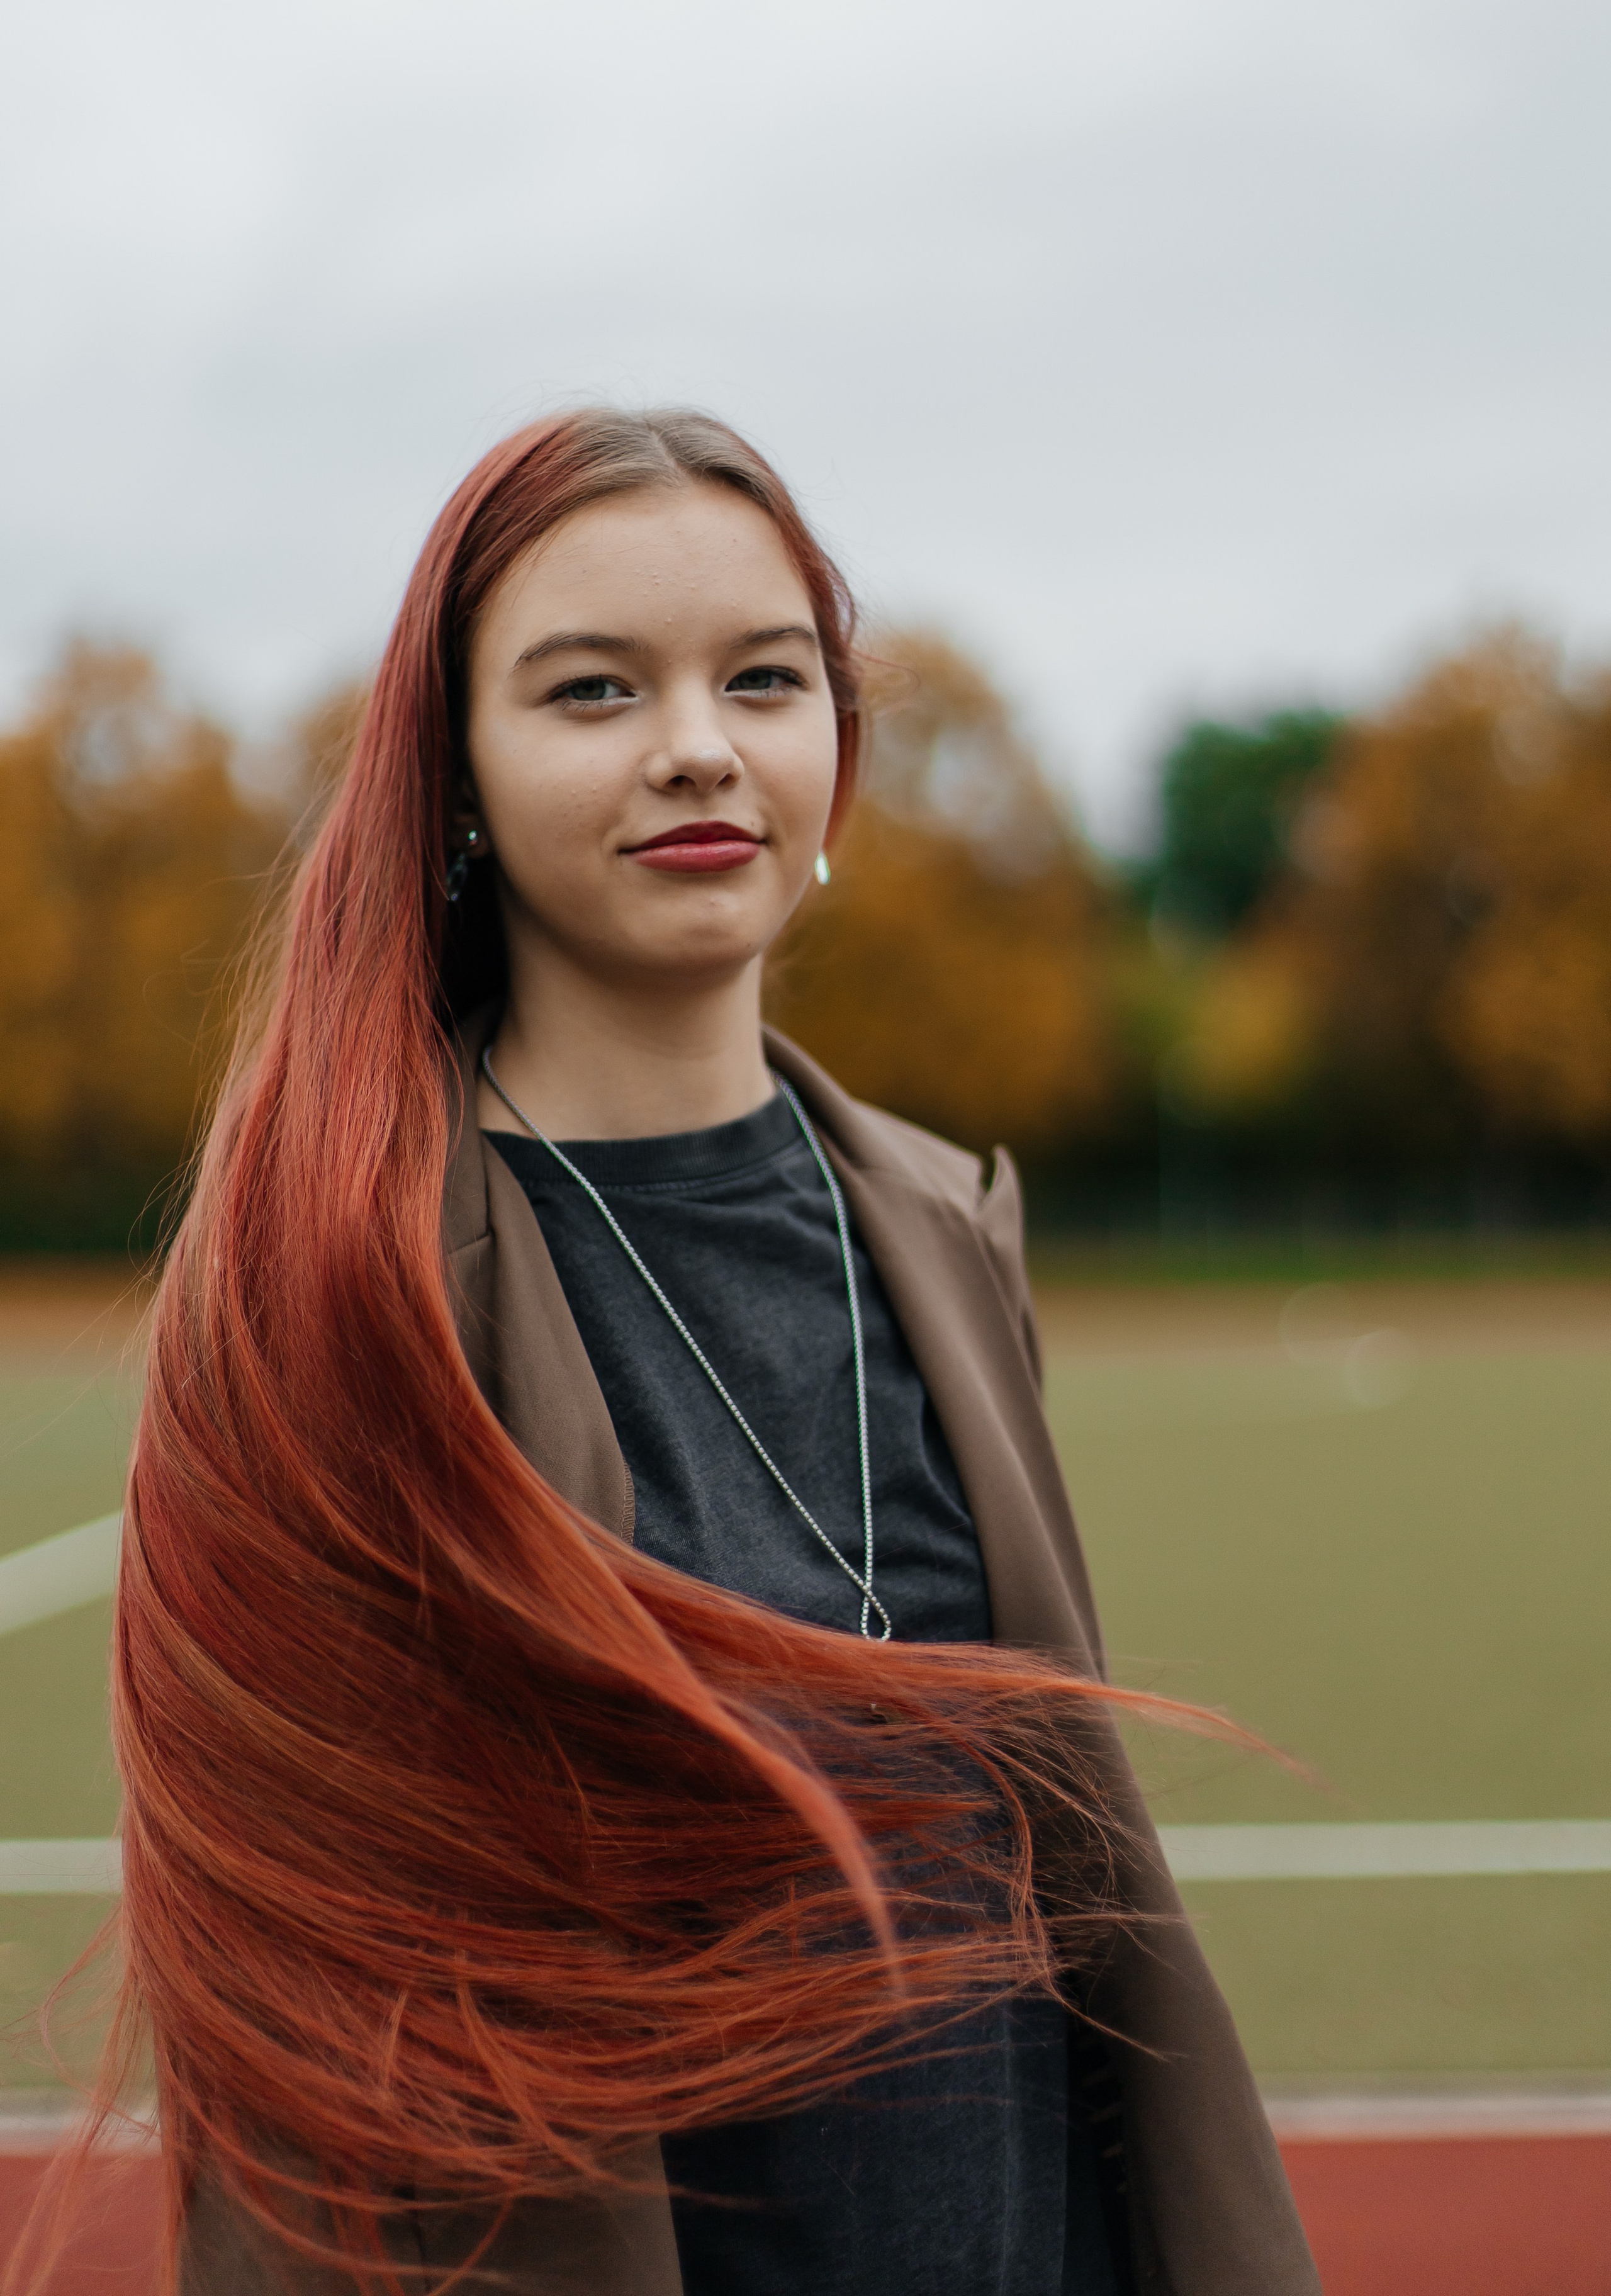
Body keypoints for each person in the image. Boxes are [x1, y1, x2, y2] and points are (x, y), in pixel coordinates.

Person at [105, 410, 1316, 2295]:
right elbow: (299, 2038)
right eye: (592, 689)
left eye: (763, 677)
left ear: (837, 740)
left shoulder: (943, 1224)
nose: (698, 744)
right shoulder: (334, 1280)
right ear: (456, 778)